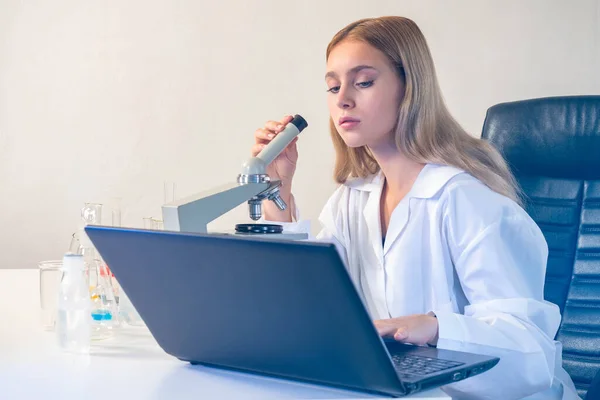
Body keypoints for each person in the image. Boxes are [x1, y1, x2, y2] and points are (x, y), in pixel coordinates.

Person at [251, 16, 579, 400]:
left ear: (409, 89)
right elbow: (308, 305)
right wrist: (279, 189)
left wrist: (436, 328)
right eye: (333, 86)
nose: (342, 99)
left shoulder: (466, 200)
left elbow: (530, 359)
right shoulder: (352, 200)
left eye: (364, 81)